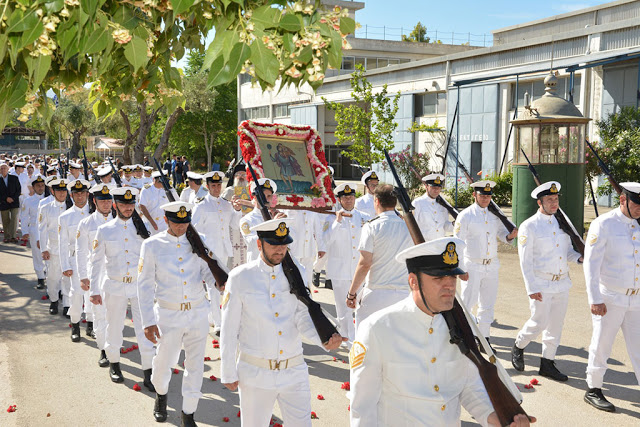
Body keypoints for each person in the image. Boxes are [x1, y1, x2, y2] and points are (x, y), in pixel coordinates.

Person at [349, 237, 534, 427]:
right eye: (438, 278)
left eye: (453, 277)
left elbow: (468, 384)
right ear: (413, 281)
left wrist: (492, 416)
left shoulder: (459, 326)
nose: (450, 285)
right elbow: (363, 407)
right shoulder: (377, 329)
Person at [220, 218, 345, 427]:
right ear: (259, 244)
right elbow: (229, 328)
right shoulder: (240, 277)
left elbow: (302, 315)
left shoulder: (296, 274)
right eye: (274, 245)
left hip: (294, 370)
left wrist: (323, 339)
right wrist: (227, 370)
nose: (280, 250)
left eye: (284, 244)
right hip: (256, 372)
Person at [138, 201, 223, 426]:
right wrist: (147, 322)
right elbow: (144, 285)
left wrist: (220, 284)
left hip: (197, 312)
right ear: (166, 220)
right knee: (164, 362)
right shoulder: (152, 245)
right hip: (168, 315)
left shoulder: (197, 240)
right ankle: (161, 394)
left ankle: (188, 413)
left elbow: (208, 271)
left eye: (185, 222)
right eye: (177, 222)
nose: (181, 227)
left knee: (195, 366)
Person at [511, 181, 583, 382]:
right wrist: (531, 287)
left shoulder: (562, 224)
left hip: (562, 283)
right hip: (541, 283)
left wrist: (578, 258)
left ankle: (547, 363)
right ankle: (519, 344)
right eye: (550, 199)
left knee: (556, 325)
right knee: (539, 322)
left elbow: (568, 252)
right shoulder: (529, 226)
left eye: (556, 199)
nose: (554, 203)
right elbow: (525, 261)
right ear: (539, 202)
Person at [583, 182, 640, 412]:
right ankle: (593, 389)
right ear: (623, 200)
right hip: (610, 297)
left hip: (636, 299)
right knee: (602, 343)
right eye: (637, 203)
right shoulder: (604, 224)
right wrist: (594, 298)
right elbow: (591, 264)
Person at [90, 187, 155, 388]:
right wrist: (93, 290)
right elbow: (96, 261)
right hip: (115, 285)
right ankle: (115, 363)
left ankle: (148, 370)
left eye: (131, 204)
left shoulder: (143, 228)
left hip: (139, 286)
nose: (128, 208)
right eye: (124, 204)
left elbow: (153, 259)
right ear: (116, 205)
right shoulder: (105, 230)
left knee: (145, 327)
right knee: (114, 326)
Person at [454, 181, 517, 342]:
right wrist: (460, 268)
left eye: (488, 196)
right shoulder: (466, 215)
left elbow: (502, 234)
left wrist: (510, 236)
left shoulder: (494, 215)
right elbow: (457, 243)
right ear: (474, 195)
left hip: (491, 265)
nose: (485, 199)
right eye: (482, 195)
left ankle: (484, 338)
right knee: (468, 303)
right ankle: (464, 336)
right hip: (472, 265)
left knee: (487, 304)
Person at [346, 184, 412, 330]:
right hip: (402, 294)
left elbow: (364, 264)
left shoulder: (371, 226)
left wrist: (351, 293)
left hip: (377, 293)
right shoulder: (407, 226)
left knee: (366, 343)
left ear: (376, 201)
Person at [191, 170, 241, 332]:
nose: (217, 188)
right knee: (214, 287)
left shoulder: (226, 204)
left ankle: (216, 317)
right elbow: (195, 230)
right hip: (210, 252)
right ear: (207, 186)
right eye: (213, 185)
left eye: (219, 185)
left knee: (226, 284)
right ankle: (219, 323)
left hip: (225, 249)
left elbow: (234, 225)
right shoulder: (201, 206)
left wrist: (238, 210)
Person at [323, 183, 370, 342]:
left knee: (361, 306)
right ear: (339, 200)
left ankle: (360, 337)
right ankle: (346, 338)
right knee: (343, 309)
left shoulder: (364, 217)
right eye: (345, 197)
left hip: (359, 269)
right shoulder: (330, 219)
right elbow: (326, 241)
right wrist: (338, 222)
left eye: (351, 197)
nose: (349, 200)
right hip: (340, 269)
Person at [77, 183, 115, 368]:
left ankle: (113, 347)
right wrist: (84, 277)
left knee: (115, 316)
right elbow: (81, 251)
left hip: (117, 276)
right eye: (102, 200)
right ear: (95, 201)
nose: (106, 204)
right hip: (98, 275)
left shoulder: (121, 220)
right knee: (100, 315)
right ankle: (103, 350)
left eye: (109, 200)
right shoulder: (86, 224)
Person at [59, 179, 92, 342]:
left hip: (94, 259)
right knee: (77, 294)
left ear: (87, 194)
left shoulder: (94, 213)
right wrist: (65, 265)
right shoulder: (65, 217)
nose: (80, 197)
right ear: (71, 196)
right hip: (74, 260)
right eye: (76, 194)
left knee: (94, 293)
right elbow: (62, 243)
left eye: (83, 193)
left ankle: (92, 325)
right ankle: (76, 325)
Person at [38, 177, 70, 314]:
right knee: (52, 277)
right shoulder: (46, 208)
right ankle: (54, 300)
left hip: (69, 250)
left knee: (68, 278)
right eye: (59, 191)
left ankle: (68, 305)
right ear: (52, 191)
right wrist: (44, 249)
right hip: (54, 249)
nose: (62, 194)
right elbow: (42, 229)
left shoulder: (72, 207)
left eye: (64, 190)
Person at [239, 178, 283, 262]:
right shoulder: (246, 220)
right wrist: (273, 225)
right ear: (255, 197)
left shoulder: (276, 216)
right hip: (256, 264)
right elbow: (251, 242)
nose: (266, 199)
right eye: (263, 196)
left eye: (269, 196)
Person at [20, 175, 47, 288]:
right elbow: (24, 217)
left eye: (42, 185)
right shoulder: (28, 201)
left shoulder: (50, 199)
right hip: (35, 229)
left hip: (48, 229)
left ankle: (50, 276)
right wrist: (24, 231)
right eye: (38, 186)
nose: (40, 188)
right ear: (33, 187)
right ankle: (40, 277)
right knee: (37, 254)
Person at [413, 173, 454, 241]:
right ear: (426, 186)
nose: (436, 190)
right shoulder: (417, 203)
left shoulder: (443, 204)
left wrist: (454, 223)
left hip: (440, 244)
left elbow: (445, 227)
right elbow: (413, 227)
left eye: (438, 187)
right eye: (433, 187)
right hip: (424, 244)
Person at [138, 170, 178, 235]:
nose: (163, 184)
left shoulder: (170, 190)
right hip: (149, 222)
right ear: (154, 180)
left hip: (165, 223)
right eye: (160, 182)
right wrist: (152, 222)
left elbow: (176, 203)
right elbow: (142, 206)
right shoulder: (146, 190)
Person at [1, 162, 22, 243]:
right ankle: (7, 236)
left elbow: (18, 190)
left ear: (8, 169)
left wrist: (12, 198)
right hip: (3, 202)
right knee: (5, 220)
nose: (3, 170)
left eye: (4, 168)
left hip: (14, 202)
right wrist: (6, 198)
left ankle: (13, 236)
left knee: (14, 219)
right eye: (1, 169)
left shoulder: (14, 178)